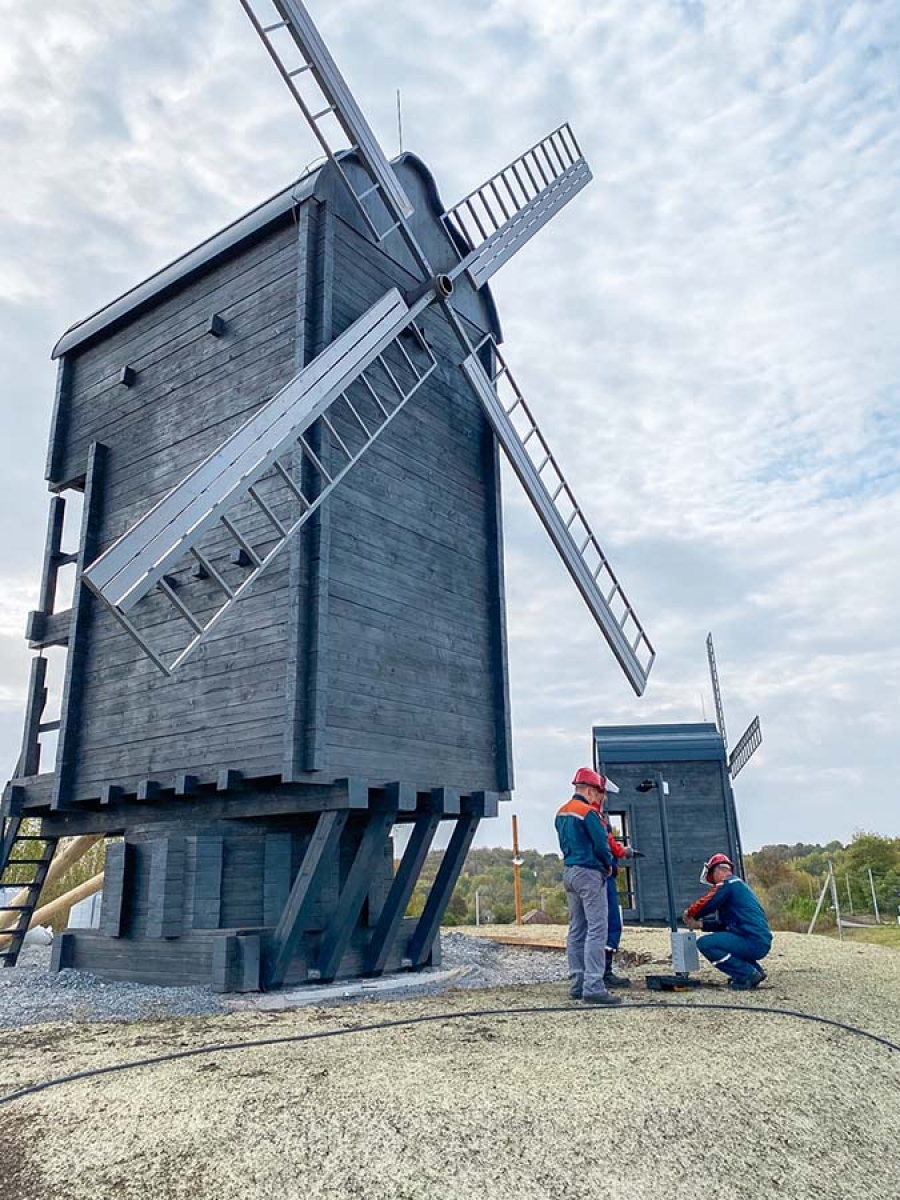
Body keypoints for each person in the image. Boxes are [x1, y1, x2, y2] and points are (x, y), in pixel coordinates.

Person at [555, 768, 622, 1005]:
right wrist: (609, 866)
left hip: (569, 872)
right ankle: (594, 985)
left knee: (576, 929)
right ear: (591, 791)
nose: (601, 799)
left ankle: (577, 983)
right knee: (597, 929)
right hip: (589, 873)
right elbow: (602, 845)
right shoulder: (589, 813)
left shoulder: (561, 812)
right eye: (600, 794)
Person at [682, 853, 772, 990]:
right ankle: (755, 971)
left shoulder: (727, 884)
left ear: (717, 870)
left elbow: (707, 902)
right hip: (758, 940)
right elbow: (724, 925)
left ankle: (746, 973)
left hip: (750, 940)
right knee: (727, 942)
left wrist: (689, 913)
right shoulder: (738, 887)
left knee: (705, 944)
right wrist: (701, 925)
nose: (713, 883)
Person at [597, 801, 640, 988]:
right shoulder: (595, 819)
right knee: (611, 924)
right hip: (603, 877)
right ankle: (604, 972)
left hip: (587, 875)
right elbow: (607, 844)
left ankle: (587, 972)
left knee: (589, 926)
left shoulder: (577, 816)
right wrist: (621, 853)